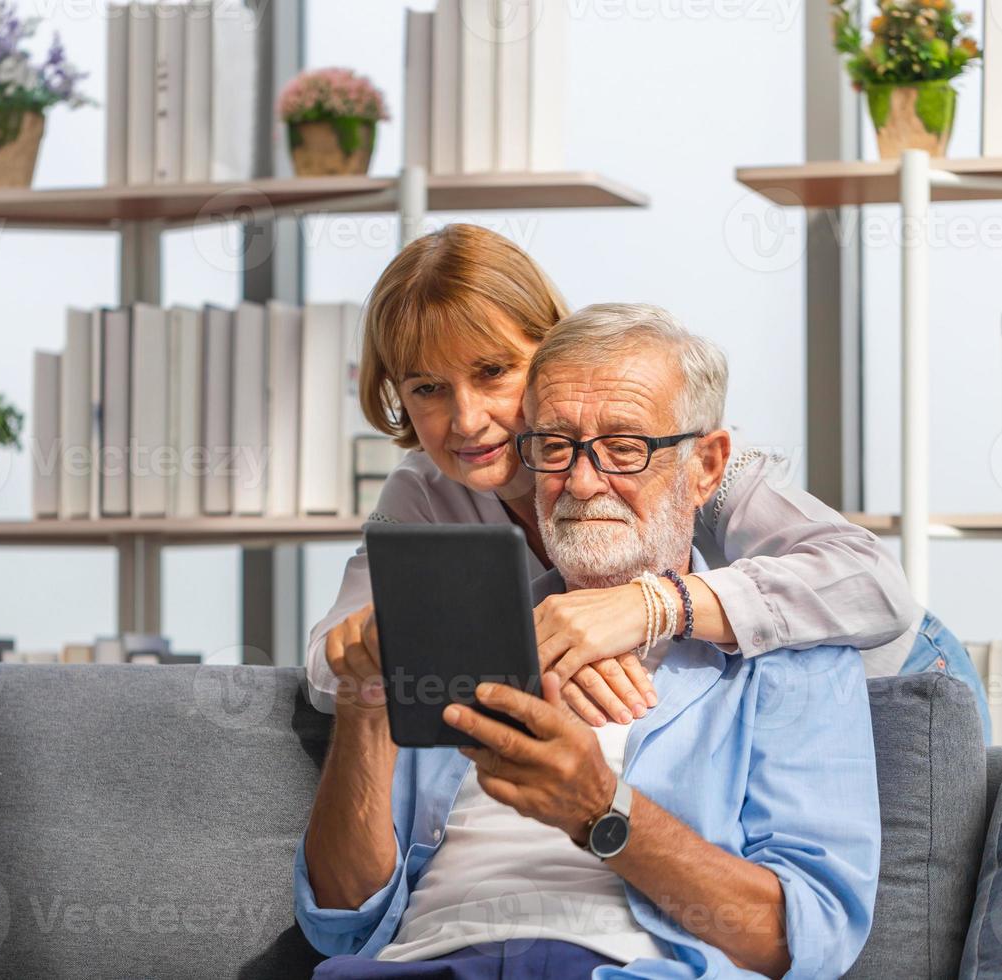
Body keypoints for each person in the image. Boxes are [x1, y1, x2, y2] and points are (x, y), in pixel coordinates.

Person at [295, 304, 881, 979]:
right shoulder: (461, 633)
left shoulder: (791, 659)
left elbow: (807, 942)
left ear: (705, 466)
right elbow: (341, 921)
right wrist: (366, 713)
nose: (579, 481)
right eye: (553, 446)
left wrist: (602, 812)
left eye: (624, 447)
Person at [306, 223, 989, 739]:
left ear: (550, 353)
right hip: (709, 717)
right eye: (427, 387)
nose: (467, 419)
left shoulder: (681, 456)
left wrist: (649, 607)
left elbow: (872, 587)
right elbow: (324, 668)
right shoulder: (424, 494)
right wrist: (540, 646)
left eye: (492, 372)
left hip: (891, 678)